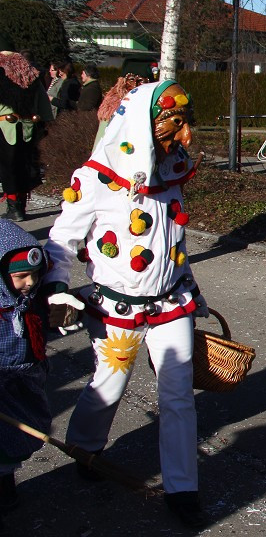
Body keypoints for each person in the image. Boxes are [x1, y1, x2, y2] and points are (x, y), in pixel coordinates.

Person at [44, 80, 209, 529]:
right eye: (175, 125)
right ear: (143, 124)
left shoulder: (172, 170)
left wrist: (192, 287)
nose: (184, 137)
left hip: (170, 304)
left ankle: (182, 487)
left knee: (177, 396)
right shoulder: (97, 177)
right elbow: (62, 240)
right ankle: (85, 446)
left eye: (185, 124)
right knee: (109, 386)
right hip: (116, 307)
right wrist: (55, 287)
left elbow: (173, 238)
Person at [0, 218, 76, 521]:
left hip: (26, 380)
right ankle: (4, 492)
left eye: (34, 275)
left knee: (19, 436)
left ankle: (5, 483)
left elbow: (49, 321)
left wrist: (64, 314)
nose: (30, 283)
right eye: (21, 277)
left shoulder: (29, 300)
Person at [0, 45, 53, 221]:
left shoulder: (2, 71)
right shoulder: (30, 73)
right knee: (26, 165)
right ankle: (21, 206)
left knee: (8, 167)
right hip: (29, 125)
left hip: (6, 126)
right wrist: (46, 121)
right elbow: (43, 101)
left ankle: (14, 208)